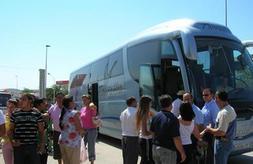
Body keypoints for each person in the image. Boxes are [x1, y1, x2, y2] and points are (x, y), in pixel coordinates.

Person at [8, 93, 45, 164]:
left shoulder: (37, 114)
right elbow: (10, 130)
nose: (21, 101)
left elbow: (41, 131)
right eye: (20, 99)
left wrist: (41, 145)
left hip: (33, 147)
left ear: (30, 101)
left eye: (24, 99)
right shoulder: (15, 114)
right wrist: (12, 142)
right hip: (19, 147)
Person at [150, 94, 186, 164]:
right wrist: (182, 152)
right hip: (167, 150)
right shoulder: (173, 118)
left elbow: (152, 132)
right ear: (171, 104)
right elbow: (176, 138)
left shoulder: (156, 116)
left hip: (155, 148)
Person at [205, 91, 237, 164]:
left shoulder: (223, 113)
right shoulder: (230, 108)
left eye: (215, 98)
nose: (215, 101)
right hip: (228, 143)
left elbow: (221, 132)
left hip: (222, 144)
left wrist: (209, 129)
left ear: (218, 99)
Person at [59, 95, 84, 164]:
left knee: (66, 162)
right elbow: (79, 129)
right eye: (73, 101)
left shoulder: (63, 113)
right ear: (70, 103)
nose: (74, 102)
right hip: (72, 142)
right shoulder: (74, 113)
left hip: (63, 140)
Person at [201, 88, 220, 164]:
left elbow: (216, 122)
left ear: (212, 95)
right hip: (205, 133)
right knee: (207, 155)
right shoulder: (206, 105)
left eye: (206, 95)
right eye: (203, 95)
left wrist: (213, 134)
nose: (204, 96)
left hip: (211, 134)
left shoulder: (213, 106)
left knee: (210, 156)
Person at [136, 95, 155, 164]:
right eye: (150, 103)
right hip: (146, 139)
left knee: (146, 159)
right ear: (146, 104)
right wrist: (153, 133)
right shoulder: (144, 114)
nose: (151, 104)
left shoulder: (147, 113)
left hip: (146, 139)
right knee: (147, 160)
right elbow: (144, 132)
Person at [120, 96, 139, 164]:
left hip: (124, 137)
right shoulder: (136, 112)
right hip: (132, 138)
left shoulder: (123, 112)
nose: (137, 103)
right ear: (133, 102)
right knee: (133, 158)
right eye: (136, 101)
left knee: (126, 158)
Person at [80, 95, 98, 164]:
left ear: (89, 100)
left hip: (91, 130)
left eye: (85, 99)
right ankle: (80, 160)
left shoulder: (92, 107)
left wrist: (92, 104)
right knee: (81, 146)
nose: (83, 101)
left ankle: (92, 162)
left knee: (91, 147)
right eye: (83, 100)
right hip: (83, 130)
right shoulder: (82, 108)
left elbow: (94, 107)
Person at [34, 98, 52, 164]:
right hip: (35, 143)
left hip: (43, 143)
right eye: (44, 103)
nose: (46, 105)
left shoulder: (45, 114)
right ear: (38, 105)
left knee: (43, 160)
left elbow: (46, 117)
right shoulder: (33, 114)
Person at [48, 92, 64, 164]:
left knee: (66, 150)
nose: (60, 99)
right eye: (58, 97)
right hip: (57, 132)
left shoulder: (67, 107)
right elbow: (48, 115)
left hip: (67, 133)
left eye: (61, 97)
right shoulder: (52, 108)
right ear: (56, 98)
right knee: (58, 151)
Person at [2, 99, 17, 164]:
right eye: (8, 107)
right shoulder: (4, 117)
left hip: (16, 144)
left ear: (16, 108)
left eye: (12, 107)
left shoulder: (19, 117)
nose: (9, 109)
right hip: (6, 143)